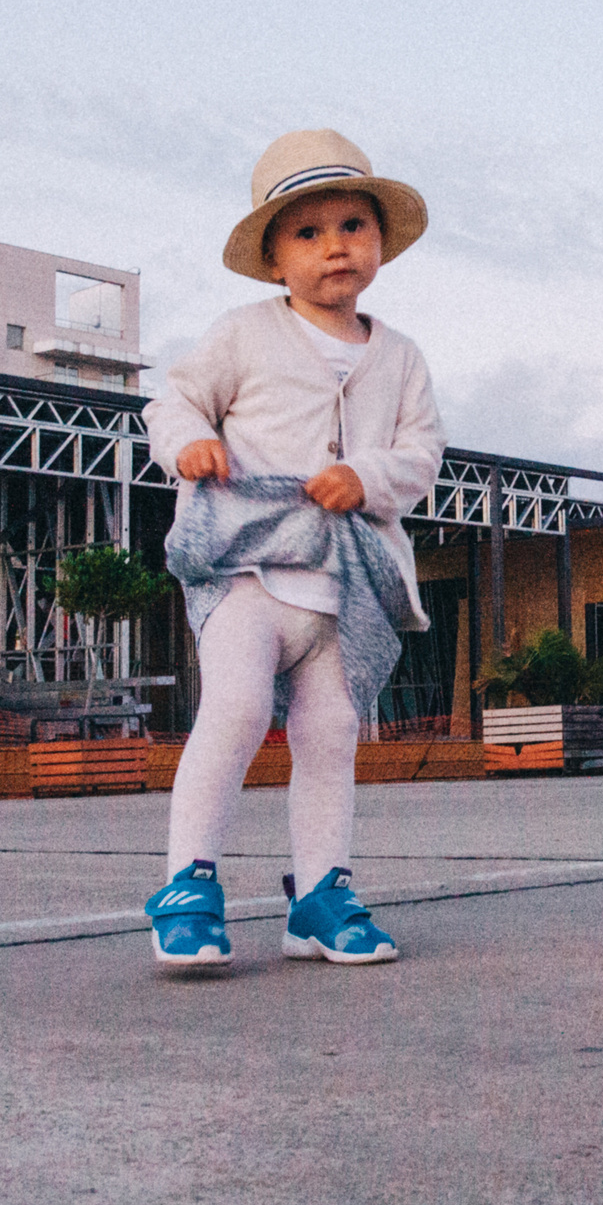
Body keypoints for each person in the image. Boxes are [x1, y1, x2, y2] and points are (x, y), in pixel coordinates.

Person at [139, 131, 446, 969]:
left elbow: (422, 456)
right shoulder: (244, 334)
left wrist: (368, 474)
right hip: (250, 569)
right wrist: (191, 443)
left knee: (331, 731)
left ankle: (320, 892)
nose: (334, 245)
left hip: (343, 586)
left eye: (353, 224)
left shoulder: (402, 357)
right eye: (307, 233)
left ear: (381, 241)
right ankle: (187, 884)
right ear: (274, 259)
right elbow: (173, 400)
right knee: (235, 707)